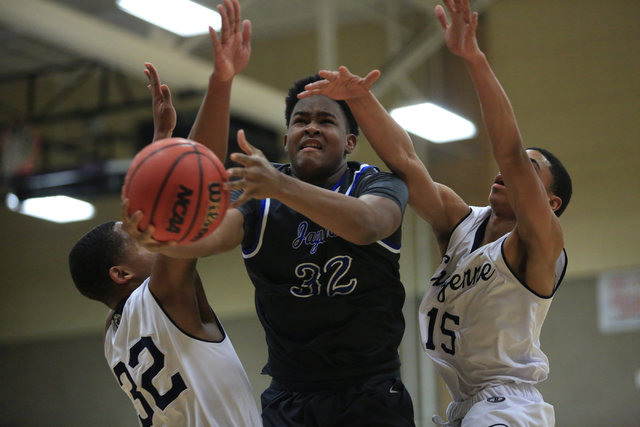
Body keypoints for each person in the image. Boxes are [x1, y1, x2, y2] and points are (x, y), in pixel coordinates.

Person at [297, 0, 572, 425]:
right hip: (464, 404)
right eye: (518, 168)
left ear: (550, 204)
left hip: (509, 404)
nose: (508, 172)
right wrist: (361, 100)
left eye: (532, 171)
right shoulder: (460, 223)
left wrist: (473, 59)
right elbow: (407, 163)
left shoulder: (541, 243)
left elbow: (511, 153)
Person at [126, 31, 416, 427]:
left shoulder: (377, 184)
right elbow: (206, 237)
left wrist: (282, 186)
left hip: (370, 390)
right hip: (290, 396)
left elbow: (367, 225)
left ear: (350, 142)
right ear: (286, 139)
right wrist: (164, 240)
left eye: (325, 120)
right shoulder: (257, 194)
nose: (311, 127)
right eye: (301, 120)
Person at [69, 1, 262, 425]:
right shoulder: (163, 295)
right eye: (136, 237)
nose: (150, 233)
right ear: (121, 274)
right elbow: (191, 190)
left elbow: (173, 204)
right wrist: (221, 80)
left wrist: (161, 142)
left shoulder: (113, 335)